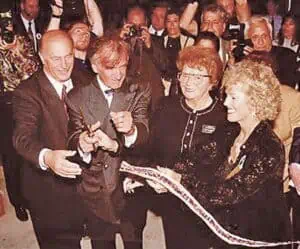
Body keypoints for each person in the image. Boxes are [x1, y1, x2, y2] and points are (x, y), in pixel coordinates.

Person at [151, 59, 291, 249]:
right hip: (226, 233)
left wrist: (180, 182)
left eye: (233, 98)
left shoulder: (269, 148)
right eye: (226, 96)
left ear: (255, 102)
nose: (225, 103)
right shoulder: (229, 131)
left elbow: (230, 192)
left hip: (257, 238)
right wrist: (162, 176)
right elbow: (195, 159)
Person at [67, 35, 151, 249]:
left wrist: (131, 129)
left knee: (134, 243)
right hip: (95, 192)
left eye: (123, 66)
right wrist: (82, 144)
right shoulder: (77, 97)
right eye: (111, 67)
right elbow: (72, 137)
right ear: (95, 66)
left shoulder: (139, 89)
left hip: (129, 188)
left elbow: (144, 133)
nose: (119, 74)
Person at [12, 30, 92, 249]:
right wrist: (48, 158)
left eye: (68, 56)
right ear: (41, 57)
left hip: (87, 186)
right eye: (56, 58)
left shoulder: (84, 79)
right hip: (48, 192)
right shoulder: (27, 92)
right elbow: (22, 137)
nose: (65, 64)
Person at [144, 47, 226, 249]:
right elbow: (151, 149)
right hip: (170, 200)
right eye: (185, 75)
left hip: (207, 205)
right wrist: (151, 175)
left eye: (197, 77)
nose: (188, 82)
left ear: (212, 82)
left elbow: (221, 167)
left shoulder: (224, 116)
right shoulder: (166, 106)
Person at [0, 7, 40, 221]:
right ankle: (18, 201)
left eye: (8, 23)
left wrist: (18, 51)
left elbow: (34, 69)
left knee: (32, 146)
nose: (6, 28)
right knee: (11, 155)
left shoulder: (21, 40)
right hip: (5, 106)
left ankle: (34, 197)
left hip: (26, 100)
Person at [243, 15, 299, 88]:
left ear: (271, 36)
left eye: (264, 36)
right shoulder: (243, 60)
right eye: (255, 37)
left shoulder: (287, 56)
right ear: (248, 40)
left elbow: (285, 89)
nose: (261, 42)